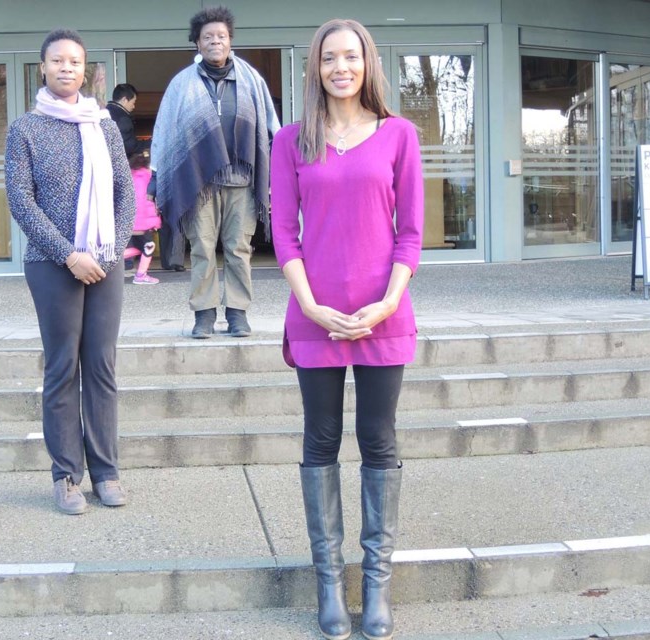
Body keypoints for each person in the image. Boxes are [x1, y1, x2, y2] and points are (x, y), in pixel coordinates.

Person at [270, 19, 424, 640]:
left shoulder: (399, 135)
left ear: (368, 64)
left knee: (379, 442)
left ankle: (377, 585)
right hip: (316, 317)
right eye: (329, 58)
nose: (340, 67)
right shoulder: (290, 141)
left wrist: (388, 302)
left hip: (383, 314)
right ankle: (330, 584)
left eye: (350, 57)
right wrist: (310, 305)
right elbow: (283, 233)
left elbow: (410, 232)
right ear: (315, 68)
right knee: (321, 441)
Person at [4, 28, 136, 515]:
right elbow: (21, 200)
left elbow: (126, 193)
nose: (66, 68)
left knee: (101, 365)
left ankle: (106, 471)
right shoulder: (25, 129)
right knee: (63, 367)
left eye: (75, 62)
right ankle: (66, 476)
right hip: (51, 264)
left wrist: (110, 252)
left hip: (105, 263)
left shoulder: (103, 124)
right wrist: (68, 255)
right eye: (57, 61)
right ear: (42, 68)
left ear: (86, 70)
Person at [148, 5, 280, 338]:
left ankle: (237, 313)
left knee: (239, 249)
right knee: (202, 250)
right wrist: (156, 173)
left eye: (221, 36)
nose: (215, 42)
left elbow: (270, 127)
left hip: (242, 182)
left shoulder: (250, 79)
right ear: (197, 43)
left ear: (230, 40)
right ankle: (204, 314)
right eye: (208, 37)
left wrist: (281, 166)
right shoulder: (182, 84)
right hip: (200, 184)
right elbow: (165, 132)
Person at [125, 150, 162, 284]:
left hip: (128, 221)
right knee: (149, 246)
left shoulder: (129, 177)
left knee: (137, 247)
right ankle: (140, 275)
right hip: (143, 223)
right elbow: (149, 203)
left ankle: (111, 258)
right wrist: (155, 222)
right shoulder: (149, 177)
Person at [107, 83, 149, 158]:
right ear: (125, 100)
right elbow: (131, 147)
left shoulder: (106, 111)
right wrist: (152, 143)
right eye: (133, 102)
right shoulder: (123, 119)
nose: (134, 106)